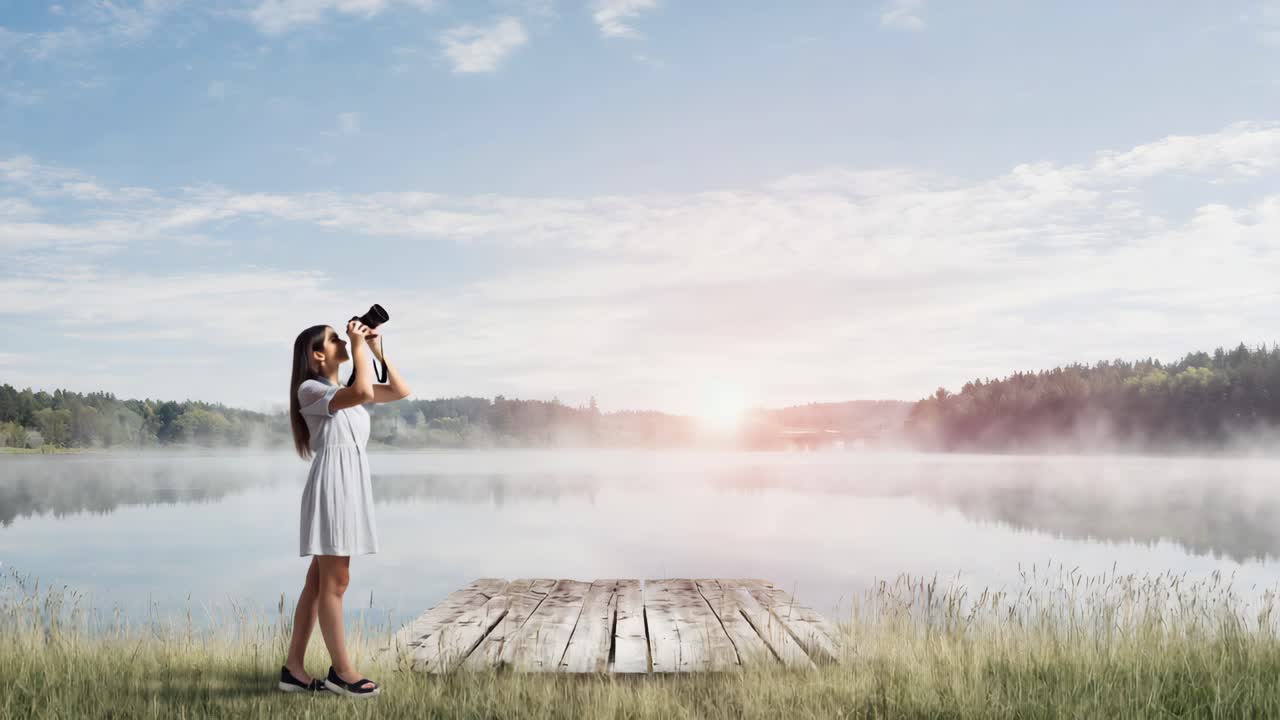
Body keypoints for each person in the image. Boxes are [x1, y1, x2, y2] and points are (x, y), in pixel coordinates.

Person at [279, 318, 411, 698]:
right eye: (333, 339)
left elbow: (401, 390)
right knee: (337, 582)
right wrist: (356, 345)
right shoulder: (310, 389)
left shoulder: (347, 390)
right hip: (333, 487)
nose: (342, 340)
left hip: (350, 484)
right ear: (317, 355)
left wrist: (375, 348)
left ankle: (293, 670)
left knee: (318, 582)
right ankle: (342, 672)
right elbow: (364, 389)